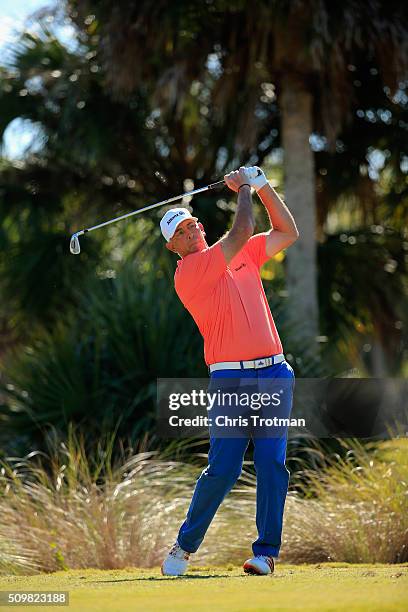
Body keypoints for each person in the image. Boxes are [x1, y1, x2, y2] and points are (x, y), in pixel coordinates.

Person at [160, 166, 299, 576]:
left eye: (189, 226)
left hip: (274, 373)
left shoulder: (244, 254)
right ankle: (184, 547)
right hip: (230, 379)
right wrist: (243, 190)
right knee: (224, 469)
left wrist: (264, 185)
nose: (188, 234)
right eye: (179, 234)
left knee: (273, 463)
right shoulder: (189, 273)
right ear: (173, 248)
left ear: (199, 225)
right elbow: (239, 233)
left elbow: (287, 231)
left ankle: (265, 553)